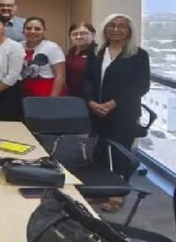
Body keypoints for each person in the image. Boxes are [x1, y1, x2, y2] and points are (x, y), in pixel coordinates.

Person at [83, 14, 150, 212]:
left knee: (121, 152)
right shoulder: (96, 51)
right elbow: (88, 79)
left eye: (121, 26)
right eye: (111, 25)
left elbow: (141, 86)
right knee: (99, 151)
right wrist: (91, 101)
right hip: (97, 111)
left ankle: (118, 193)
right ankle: (100, 190)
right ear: (105, 29)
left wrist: (113, 104)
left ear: (129, 31)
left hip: (124, 113)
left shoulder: (138, 55)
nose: (115, 29)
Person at [20, 17, 67, 97]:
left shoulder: (52, 47)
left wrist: (52, 99)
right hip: (23, 90)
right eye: (28, 28)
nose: (32, 31)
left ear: (44, 31)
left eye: (37, 29)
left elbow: (60, 76)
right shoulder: (18, 46)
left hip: (46, 90)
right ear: (23, 31)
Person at [65, 22, 96, 100]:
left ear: (93, 34)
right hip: (72, 97)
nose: (79, 37)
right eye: (75, 34)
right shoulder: (70, 53)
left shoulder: (98, 53)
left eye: (83, 33)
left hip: (92, 99)